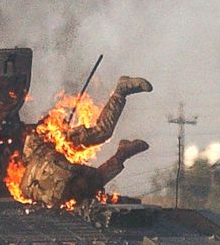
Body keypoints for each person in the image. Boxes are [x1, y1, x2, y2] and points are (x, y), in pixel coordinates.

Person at [19, 76, 152, 207]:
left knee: (101, 133)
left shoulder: (63, 179)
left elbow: (63, 168)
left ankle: (121, 91)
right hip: (50, 155)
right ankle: (123, 152)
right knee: (96, 180)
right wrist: (120, 158)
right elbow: (95, 178)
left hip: (48, 141)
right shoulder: (67, 192)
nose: (81, 187)